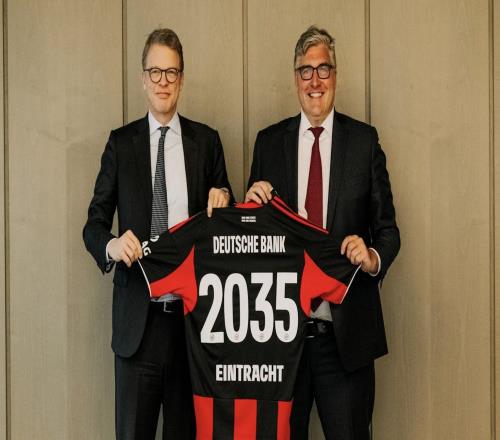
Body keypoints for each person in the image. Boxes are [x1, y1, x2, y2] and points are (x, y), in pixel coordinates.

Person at [246, 25, 400, 440]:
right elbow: (253, 245)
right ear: (295, 78)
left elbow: (389, 231)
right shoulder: (268, 144)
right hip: (282, 340)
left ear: (336, 74)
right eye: (306, 70)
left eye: (323, 69)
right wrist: (250, 209)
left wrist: (372, 257)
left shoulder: (363, 142)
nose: (315, 80)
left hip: (345, 339)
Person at [83, 28, 232, 440]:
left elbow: (227, 222)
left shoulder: (207, 142)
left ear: (182, 78)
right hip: (138, 324)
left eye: (171, 72)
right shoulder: (121, 144)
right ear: (142, 77)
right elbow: (93, 225)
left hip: (192, 327)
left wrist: (224, 197)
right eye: (155, 72)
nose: (163, 81)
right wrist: (112, 245)